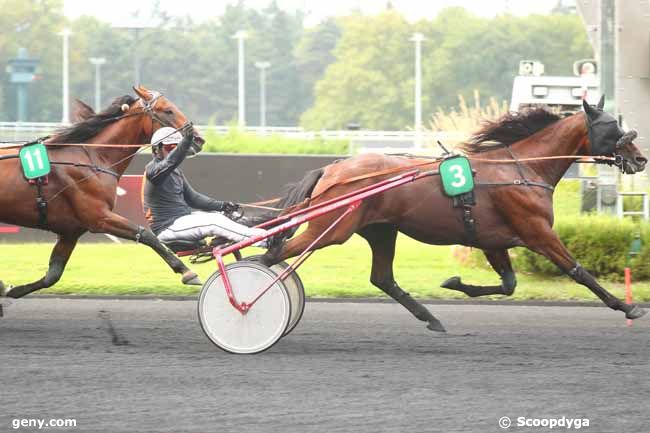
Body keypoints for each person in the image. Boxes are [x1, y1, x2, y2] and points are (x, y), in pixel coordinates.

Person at [143, 126, 268, 247]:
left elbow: (194, 199)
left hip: (181, 220)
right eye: (170, 148)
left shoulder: (176, 172)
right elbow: (171, 161)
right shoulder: (152, 170)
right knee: (215, 222)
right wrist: (186, 141)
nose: (174, 151)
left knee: (223, 216)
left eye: (176, 148)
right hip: (167, 227)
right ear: (156, 150)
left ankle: (266, 231)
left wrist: (223, 205)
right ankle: (264, 240)